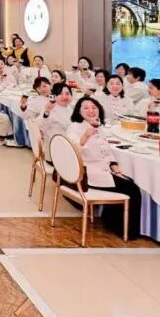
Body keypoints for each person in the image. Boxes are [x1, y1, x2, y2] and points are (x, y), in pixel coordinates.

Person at [65, 97, 141, 237]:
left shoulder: (99, 127)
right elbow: (73, 149)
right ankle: (128, 232)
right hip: (87, 174)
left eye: (94, 107)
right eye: (86, 108)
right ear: (79, 112)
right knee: (133, 189)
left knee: (128, 181)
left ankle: (112, 223)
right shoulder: (74, 128)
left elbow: (106, 150)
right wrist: (85, 136)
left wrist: (114, 165)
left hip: (102, 170)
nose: (91, 110)